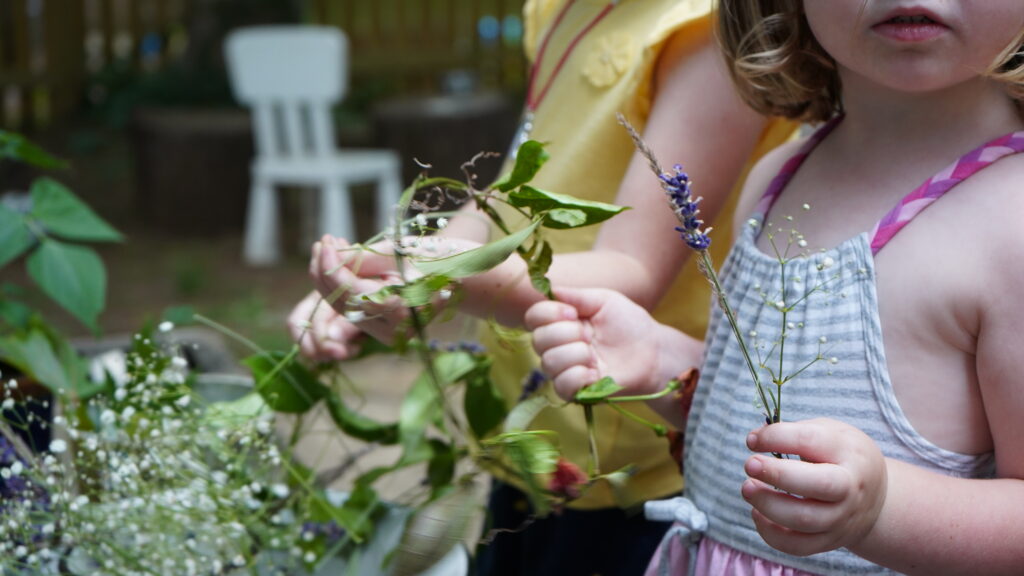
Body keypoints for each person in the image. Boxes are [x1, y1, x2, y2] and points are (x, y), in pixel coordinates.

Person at [289, 1, 795, 574]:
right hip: (532, 438)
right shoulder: (565, 9)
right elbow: (511, 194)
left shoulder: (709, 29)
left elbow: (633, 268)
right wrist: (398, 265)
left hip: (634, 468)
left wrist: (454, 276)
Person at [527, 1, 1024, 574]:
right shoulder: (778, 176)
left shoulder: (1011, 225)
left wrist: (882, 509)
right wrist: (670, 368)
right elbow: (772, 417)